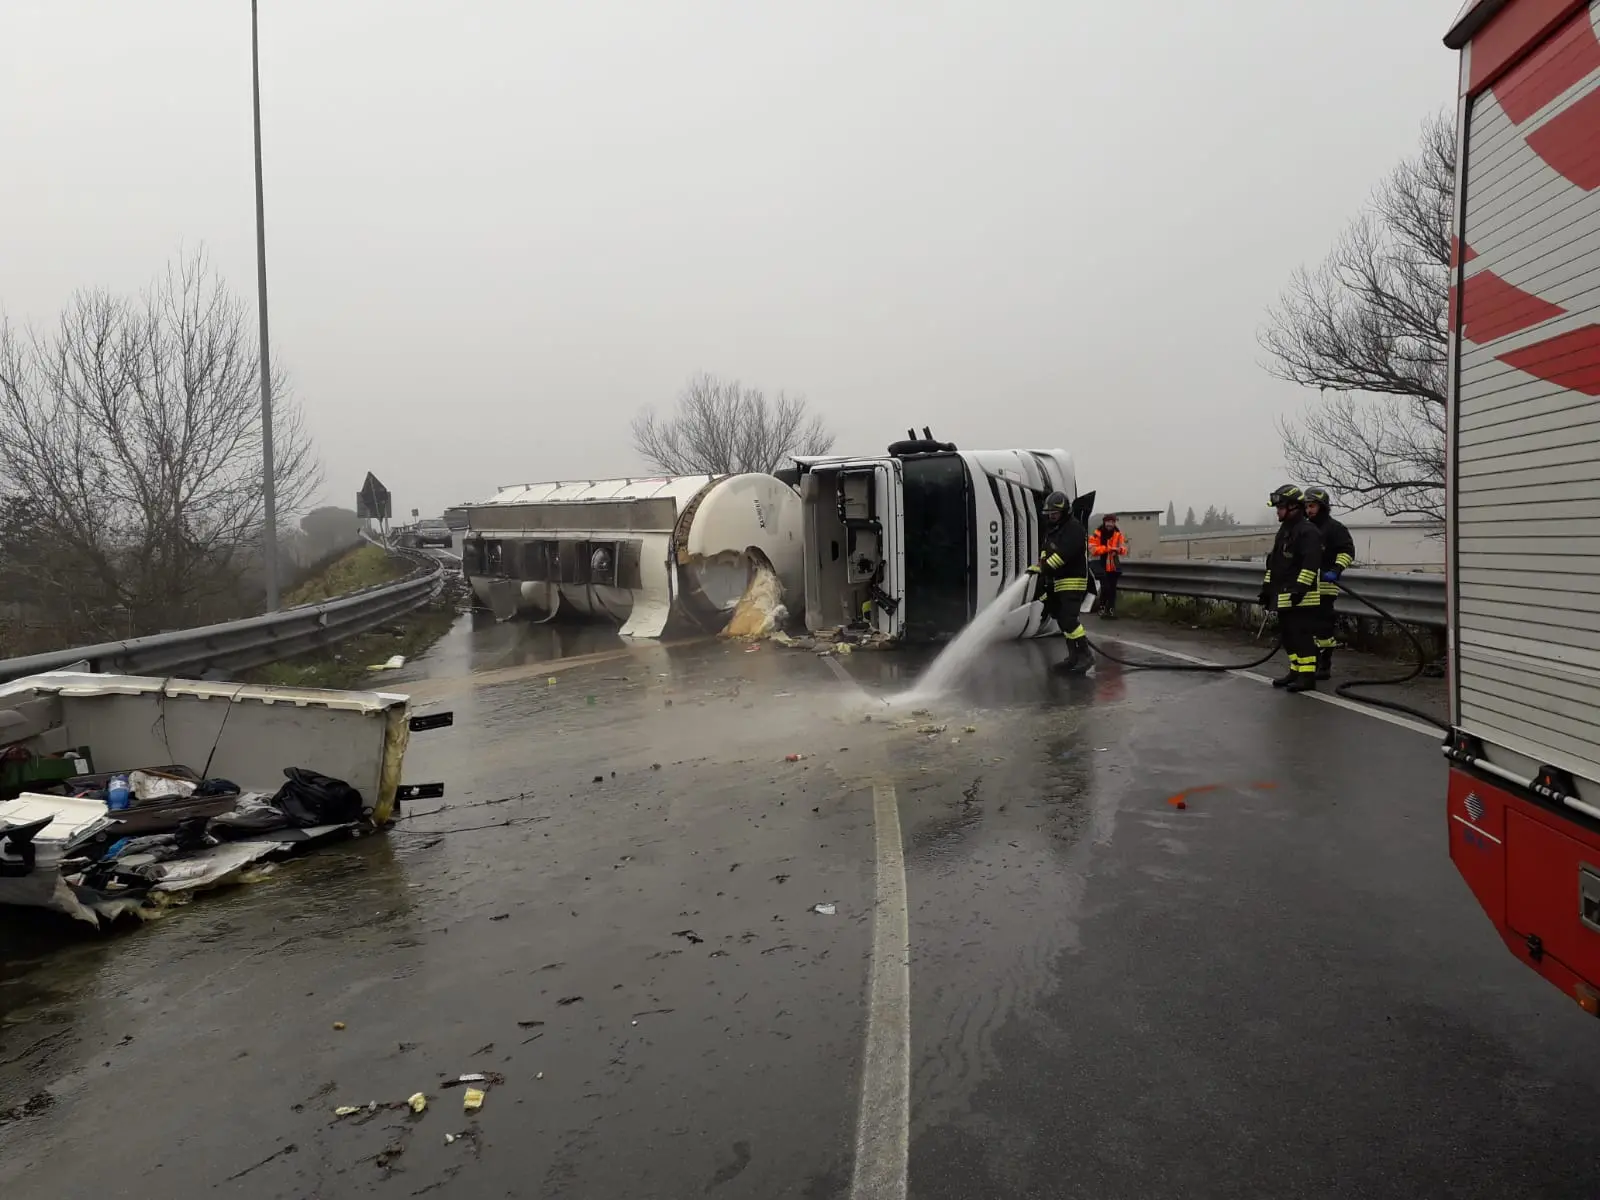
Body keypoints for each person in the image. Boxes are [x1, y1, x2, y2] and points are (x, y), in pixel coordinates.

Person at [1259, 484, 1324, 692]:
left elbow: (1310, 564)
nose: (1277, 511)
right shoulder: (1285, 530)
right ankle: (1295, 671)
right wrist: (1267, 588)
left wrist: (1300, 589)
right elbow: (1275, 563)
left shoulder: (1308, 531)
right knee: (1288, 636)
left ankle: (1307, 677)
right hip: (1284, 594)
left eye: (1280, 507)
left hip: (1302, 597)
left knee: (1301, 636)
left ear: (1293, 507)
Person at [1028, 491, 1092, 674]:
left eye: (1054, 513)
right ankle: (1073, 657)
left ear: (1064, 511)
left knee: (1069, 619)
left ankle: (1086, 655)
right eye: (1049, 513)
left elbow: (1063, 555)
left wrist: (1044, 568)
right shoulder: (1053, 529)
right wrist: (1041, 564)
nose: (1051, 516)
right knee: (1062, 619)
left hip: (1073, 580)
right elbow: (1045, 550)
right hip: (1057, 580)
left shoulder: (1074, 529)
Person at [1304, 487, 1355, 680]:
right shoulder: (1304, 528)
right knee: (1306, 627)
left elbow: (1347, 552)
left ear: (1322, 507)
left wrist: (1335, 570)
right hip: (1305, 586)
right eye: (1306, 506)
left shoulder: (1335, 529)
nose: (1309, 510)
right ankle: (1310, 663)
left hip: (1325, 586)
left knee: (1323, 627)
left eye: (1312, 506)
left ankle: (1324, 665)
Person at [1087, 514, 1130, 618]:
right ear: (1104, 522)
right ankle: (1102, 608)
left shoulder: (1118, 534)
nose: (1110, 524)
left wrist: (1118, 550)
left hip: (1113, 564)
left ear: (1114, 523)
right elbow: (1093, 549)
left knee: (1112, 589)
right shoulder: (1097, 533)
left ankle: (1111, 610)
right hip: (1100, 564)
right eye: (1108, 522)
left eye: (1112, 522)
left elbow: (1124, 549)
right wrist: (1107, 549)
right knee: (1105, 587)